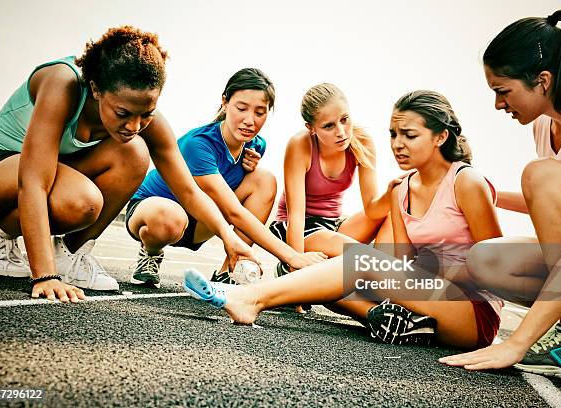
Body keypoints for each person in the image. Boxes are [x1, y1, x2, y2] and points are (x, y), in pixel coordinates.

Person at [184, 90, 505, 350]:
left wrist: (423, 269)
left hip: (471, 313)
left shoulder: (466, 182)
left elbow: (497, 270)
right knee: (333, 283)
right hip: (430, 301)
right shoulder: (404, 188)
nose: (397, 144)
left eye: (409, 135)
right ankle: (389, 322)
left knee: (357, 264)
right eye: (393, 134)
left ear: (440, 137)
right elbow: (398, 263)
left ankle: (250, 299)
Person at [0, 26, 257, 302]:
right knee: (80, 200)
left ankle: (69, 255)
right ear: (96, 89)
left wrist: (228, 239)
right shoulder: (61, 83)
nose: (134, 125)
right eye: (123, 113)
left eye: (146, 113)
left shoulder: (140, 121)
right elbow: (33, 182)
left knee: (135, 151)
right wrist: (45, 276)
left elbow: (189, 190)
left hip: (34, 174)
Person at [439, 9, 561, 379]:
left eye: (502, 91)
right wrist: (481, 193)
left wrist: (516, 342)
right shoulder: (545, 125)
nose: (498, 105)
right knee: (486, 260)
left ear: (542, 81)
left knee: (540, 175)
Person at [125, 68, 326, 288]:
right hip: (154, 214)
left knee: (264, 180)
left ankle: (228, 270)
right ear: (225, 102)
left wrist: (245, 169)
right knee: (169, 218)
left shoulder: (256, 145)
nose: (250, 120)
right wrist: (291, 257)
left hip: (201, 221)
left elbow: (237, 200)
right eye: (241, 108)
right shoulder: (199, 144)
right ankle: (151, 253)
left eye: (260, 112)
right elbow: (233, 211)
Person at [270, 83, 394, 278]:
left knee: (392, 215)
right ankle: (288, 269)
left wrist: (391, 194)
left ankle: (379, 287)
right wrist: (294, 265)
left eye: (344, 120)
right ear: (311, 128)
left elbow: (372, 209)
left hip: (335, 224)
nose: (341, 132)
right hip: (301, 228)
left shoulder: (363, 142)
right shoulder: (300, 145)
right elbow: (296, 216)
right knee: (365, 257)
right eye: (329, 126)